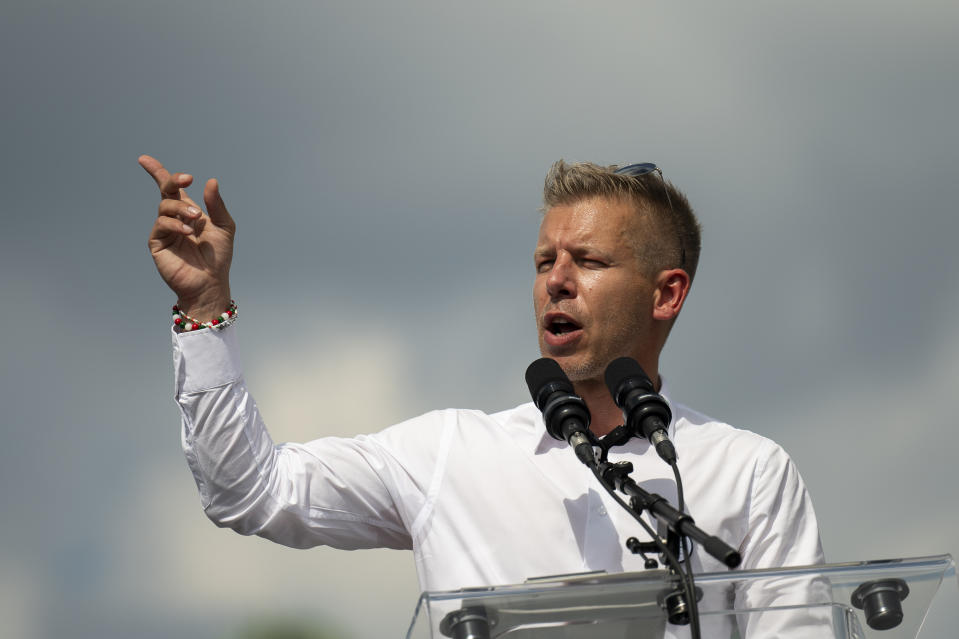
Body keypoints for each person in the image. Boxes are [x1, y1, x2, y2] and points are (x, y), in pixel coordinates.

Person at [140, 155, 824, 630]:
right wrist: (204, 312)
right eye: (541, 262)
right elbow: (249, 491)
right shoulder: (449, 452)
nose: (555, 280)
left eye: (586, 260)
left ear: (665, 292)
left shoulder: (747, 472)